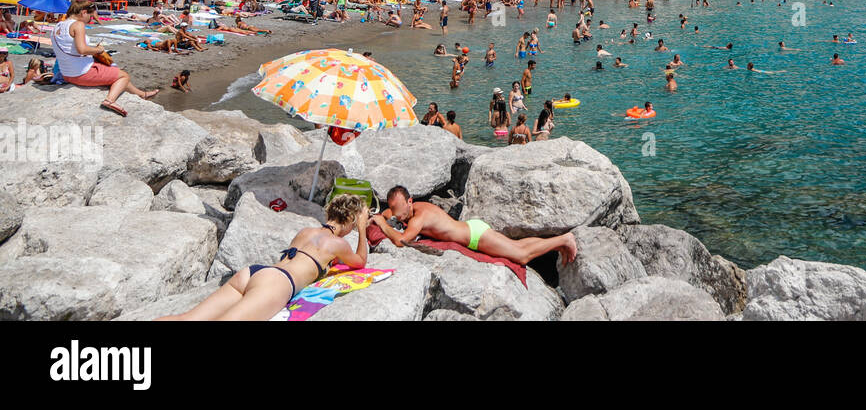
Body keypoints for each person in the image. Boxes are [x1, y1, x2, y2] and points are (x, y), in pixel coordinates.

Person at [161, 193, 370, 321]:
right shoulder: (338, 244)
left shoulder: (306, 231)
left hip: (253, 273)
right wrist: (362, 229)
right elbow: (360, 261)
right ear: (350, 220)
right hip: (277, 284)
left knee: (186, 318)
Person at [371, 186, 575, 265]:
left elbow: (401, 241)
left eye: (401, 211)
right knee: (517, 245)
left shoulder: (418, 218)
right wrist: (383, 215)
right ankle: (555, 245)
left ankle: (564, 239)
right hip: (472, 228)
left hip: (476, 237)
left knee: (521, 256)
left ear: (410, 201)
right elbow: (390, 213)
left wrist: (382, 223)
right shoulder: (411, 208)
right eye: (395, 210)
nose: (399, 216)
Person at [54, 1, 158, 116]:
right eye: (90, 16)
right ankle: (109, 101)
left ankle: (142, 94)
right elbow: (82, 50)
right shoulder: (78, 25)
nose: (90, 19)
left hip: (66, 73)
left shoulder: (58, 26)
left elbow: (71, 49)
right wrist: (98, 50)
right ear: (83, 12)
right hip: (80, 73)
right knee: (124, 76)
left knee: (116, 73)